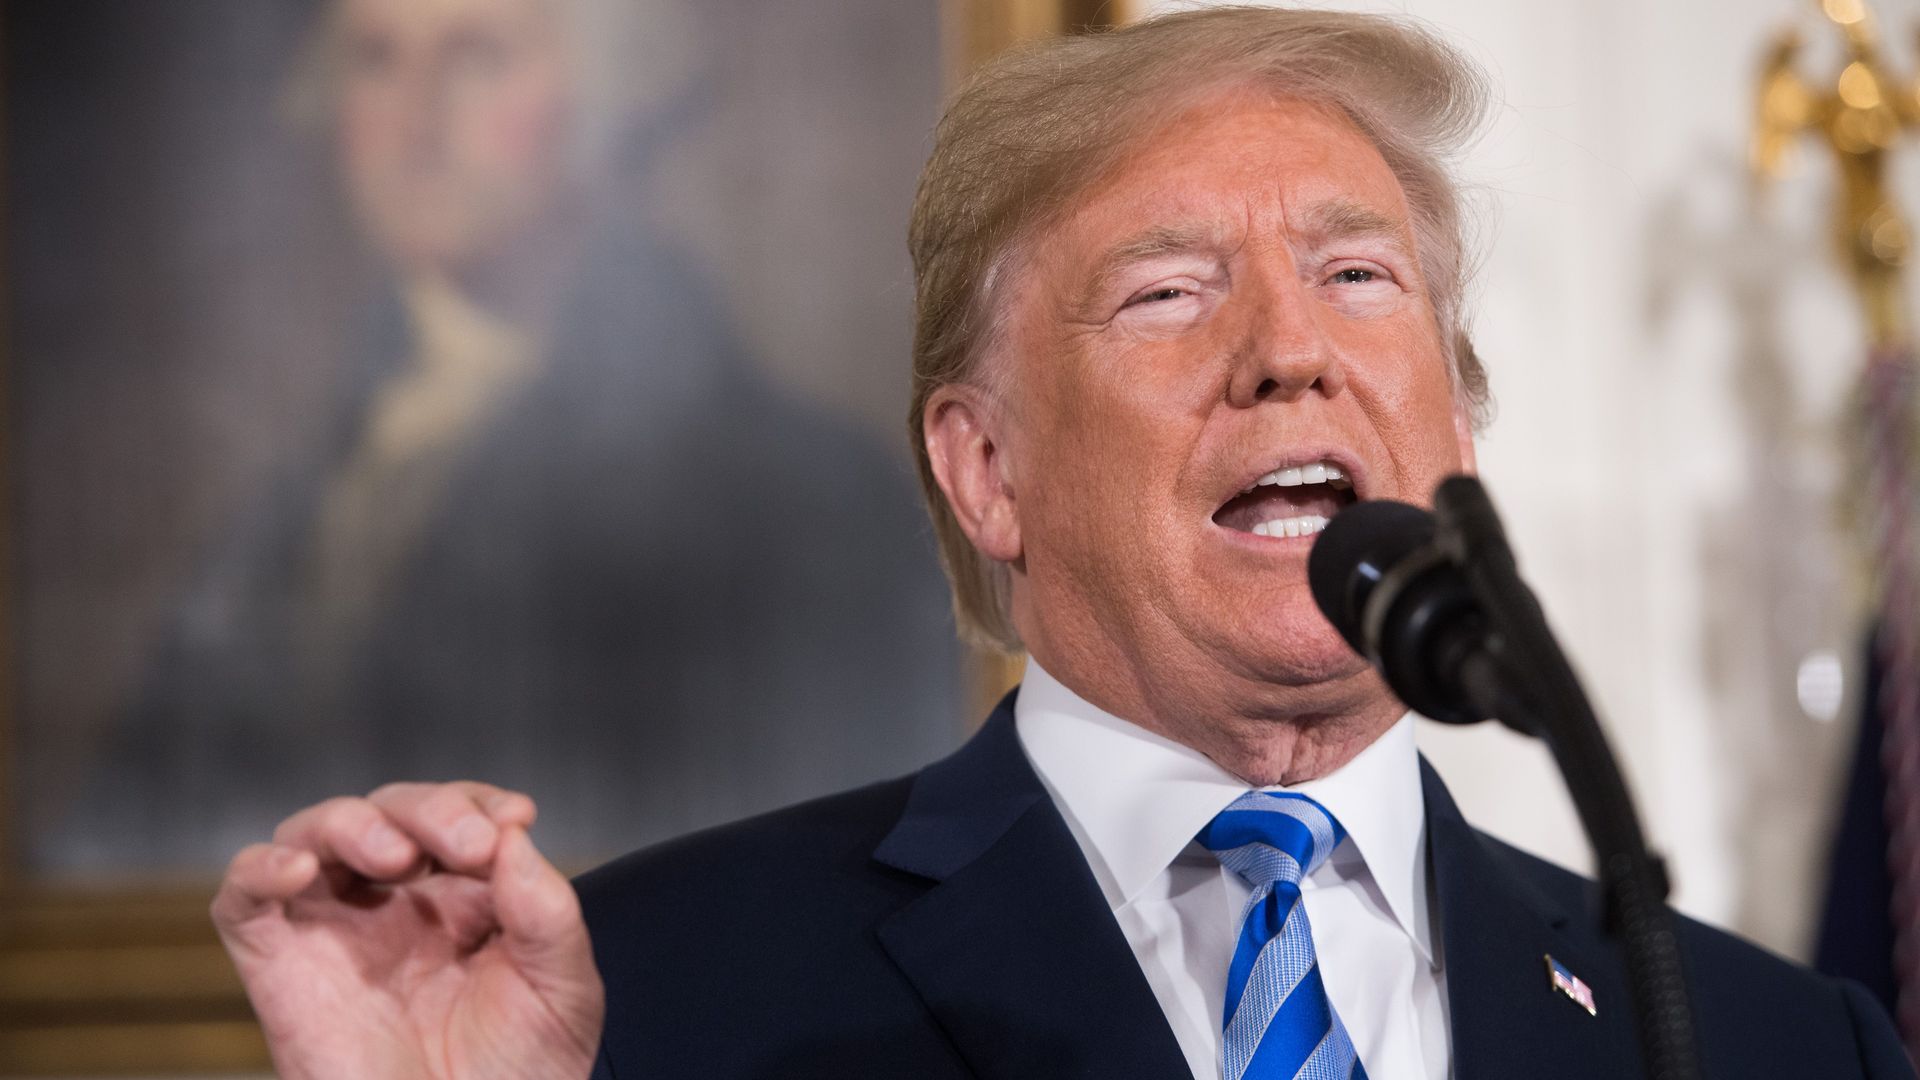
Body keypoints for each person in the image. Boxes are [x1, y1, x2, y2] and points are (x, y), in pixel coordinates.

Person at [210, 7, 1914, 1078]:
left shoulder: (1773, 1041)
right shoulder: (640, 1002)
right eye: (1169, 291)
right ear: (985, 470)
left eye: (1360, 275)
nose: (1289, 347)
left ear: (1456, 432)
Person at [62, 0, 959, 871]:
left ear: (607, 95)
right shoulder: (300, 496)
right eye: (375, 58)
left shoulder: (801, 496)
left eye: (477, 56)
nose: (415, 118)